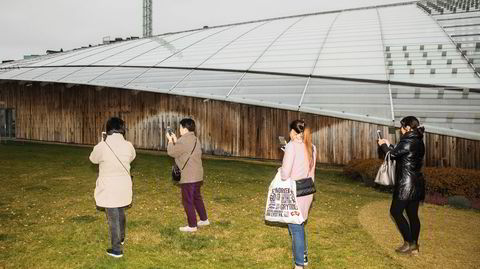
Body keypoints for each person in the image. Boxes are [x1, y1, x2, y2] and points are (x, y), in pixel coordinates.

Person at [377, 116, 425, 255]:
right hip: (416, 183)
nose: (400, 129)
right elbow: (401, 152)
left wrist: (383, 145)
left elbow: (392, 155)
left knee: (395, 212)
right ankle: (414, 245)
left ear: (408, 128)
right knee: (412, 215)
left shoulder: (409, 141)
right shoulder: (417, 140)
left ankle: (410, 243)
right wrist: (389, 144)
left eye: (402, 126)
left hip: (406, 184)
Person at [89, 117, 136, 258]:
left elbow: (93, 159)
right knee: (120, 211)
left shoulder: (102, 146)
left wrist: (102, 142)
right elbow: (132, 157)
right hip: (123, 184)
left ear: (108, 129)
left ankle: (116, 249)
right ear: (122, 129)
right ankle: (121, 238)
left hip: (109, 186)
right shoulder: (128, 145)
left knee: (113, 217)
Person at [281, 119, 316, 269]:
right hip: (308, 191)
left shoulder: (291, 146)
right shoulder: (312, 147)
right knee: (300, 225)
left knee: (295, 227)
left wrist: (286, 158)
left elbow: (285, 174)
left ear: (293, 131)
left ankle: (299, 264)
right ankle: (304, 256)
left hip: (295, 192)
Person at [166, 118, 209, 232]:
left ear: (184, 129)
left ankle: (192, 226)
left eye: (180, 127)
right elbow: (182, 151)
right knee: (197, 198)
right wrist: (176, 139)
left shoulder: (183, 140)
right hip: (198, 175)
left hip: (189, 176)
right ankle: (204, 219)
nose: (179, 130)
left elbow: (171, 152)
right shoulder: (195, 139)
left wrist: (170, 141)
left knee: (188, 201)